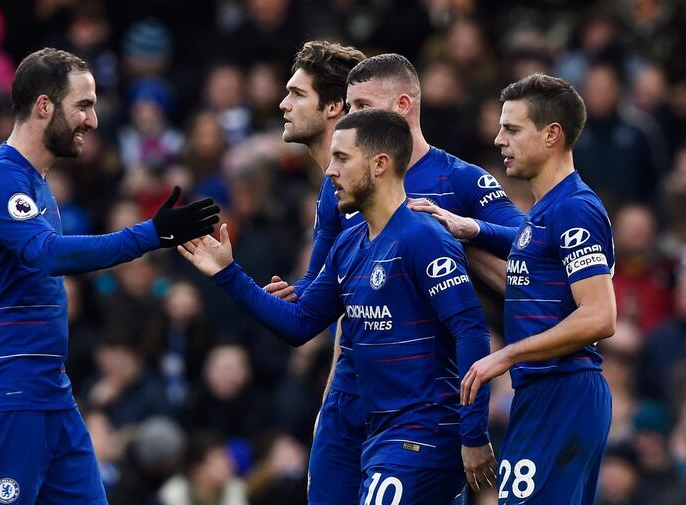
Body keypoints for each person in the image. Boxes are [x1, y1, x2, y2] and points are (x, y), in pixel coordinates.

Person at [180, 109, 497, 504]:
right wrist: (228, 274)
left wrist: (472, 432)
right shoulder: (349, 244)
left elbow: (471, 331)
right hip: (374, 431)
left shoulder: (423, 238)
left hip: (424, 431)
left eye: (342, 158)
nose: (330, 171)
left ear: (380, 164)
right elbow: (301, 323)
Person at [0, 48, 219, 504]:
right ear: (44, 106)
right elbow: (48, 254)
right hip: (5, 392)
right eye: (84, 106)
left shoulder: (34, 183)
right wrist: (149, 234)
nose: (93, 121)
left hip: (48, 389)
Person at [271, 51, 523, 503]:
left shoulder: (460, 179)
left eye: (363, 108)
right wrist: (288, 294)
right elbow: (322, 288)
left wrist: (468, 230)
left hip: (425, 400)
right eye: (349, 107)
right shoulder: (342, 188)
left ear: (403, 106)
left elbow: (531, 242)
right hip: (351, 393)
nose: (350, 118)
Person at [459, 74, 616, 504]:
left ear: (551, 135)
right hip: (548, 391)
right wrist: (462, 240)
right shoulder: (544, 213)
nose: (497, 140)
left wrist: (506, 355)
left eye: (511, 129)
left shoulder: (573, 208)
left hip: (562, 389)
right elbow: (528, 293)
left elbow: (600, 316)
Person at [271, 39, 366, 505]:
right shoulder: (332, 193)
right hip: (352, 393)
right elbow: (323, 298)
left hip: (409, 404)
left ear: (334, 107)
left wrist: (225, 274)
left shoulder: (389, 187)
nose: (283, 104)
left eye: (296, 94)